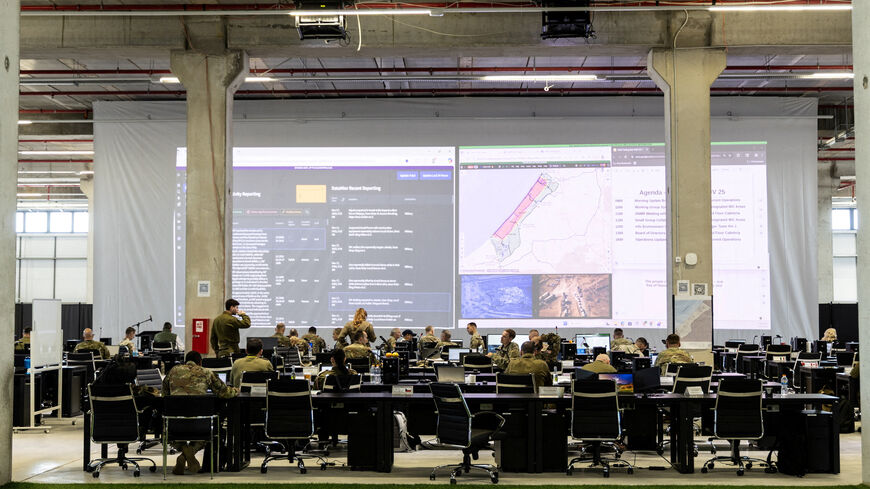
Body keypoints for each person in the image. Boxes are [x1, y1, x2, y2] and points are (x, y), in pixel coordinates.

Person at [163, 351, 238, 475]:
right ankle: (190, 451)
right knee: (213, 427)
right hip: (200, 425)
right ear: (200, 362)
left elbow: (165, 395)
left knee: (167, 427)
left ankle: (184, 451)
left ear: (185, 361)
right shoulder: (206, 372)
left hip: (175, 424)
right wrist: (236, 390)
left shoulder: (172, 371)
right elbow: (224, 392)